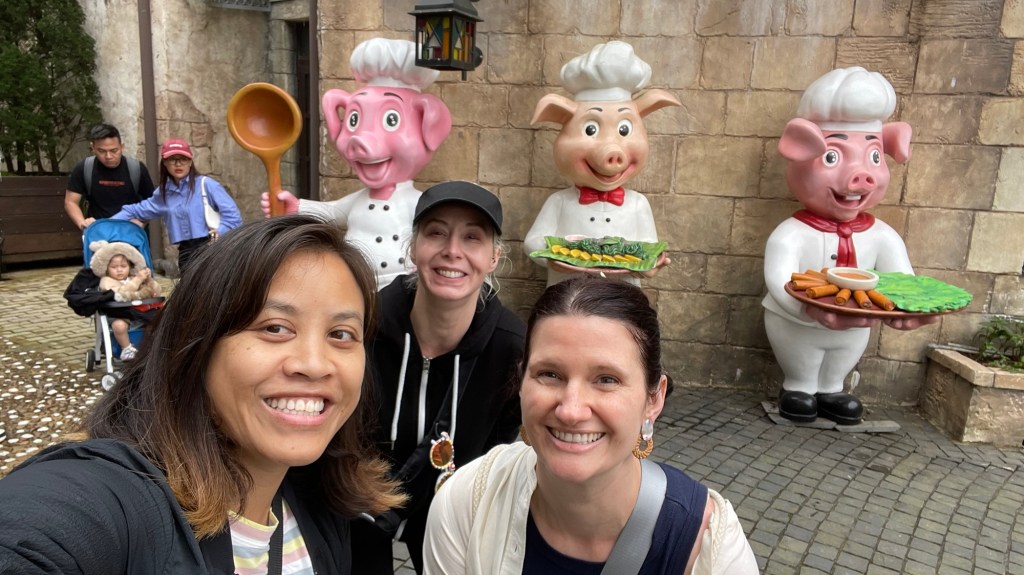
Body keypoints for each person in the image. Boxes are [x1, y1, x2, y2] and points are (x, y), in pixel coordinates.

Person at [0, 215, 405, 573]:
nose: (315, 365)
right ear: (195, 345)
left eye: (341, 334)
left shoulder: (326, 508)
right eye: (275, 328)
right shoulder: (111, 498)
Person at [423, 276, 759, 574]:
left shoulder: (709, 549)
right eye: (549, 374)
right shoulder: (468, 502)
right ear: (522, 383)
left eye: (606, 379)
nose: (571, 411)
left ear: (653, 398)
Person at [352, 181, 526, 574]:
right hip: (359, 502)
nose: (452, 251)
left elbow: (503, 434)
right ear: (413, 247)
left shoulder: (511, 348)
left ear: (494, 257)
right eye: (436, 233)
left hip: (449, 507)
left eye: (472, 237)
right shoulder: (364, 323)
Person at [113, 138, 242, 275]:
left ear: (190, 161)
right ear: (164, 163)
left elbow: (234, 216)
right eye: (172, 159)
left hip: (212, 247)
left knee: (213, 286)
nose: (178, 164)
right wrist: (105, 224)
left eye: (183, 159)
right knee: (190, 287)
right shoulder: (164, 193)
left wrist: (220, 231)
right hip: (186, 251)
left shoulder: (207, 185)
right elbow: (136, 210)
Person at [64, 123, 155, 231]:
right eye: (101, 151)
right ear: (93, 148)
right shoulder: (84, 168)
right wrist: (82, 223)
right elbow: (70, 202)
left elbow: (153, 203)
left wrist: (142, 221)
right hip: (97, 231)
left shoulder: (136, 169)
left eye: (114, 150)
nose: (108, 156)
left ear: (122, 147)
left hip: (130, 231)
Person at [89, 239, 163, 361]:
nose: (119, 270)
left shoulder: (133, 277)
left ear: (130, 266)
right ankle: (126, 349)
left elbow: (156, 291)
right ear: (106, 268)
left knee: (157, 321)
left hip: (140, 313)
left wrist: (148, 280)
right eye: (114, 267)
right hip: (119, 314)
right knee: (119, 325)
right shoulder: (106, 281)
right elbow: (121, 294)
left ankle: (151, 347)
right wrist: (138, 280)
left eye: (123, 266)